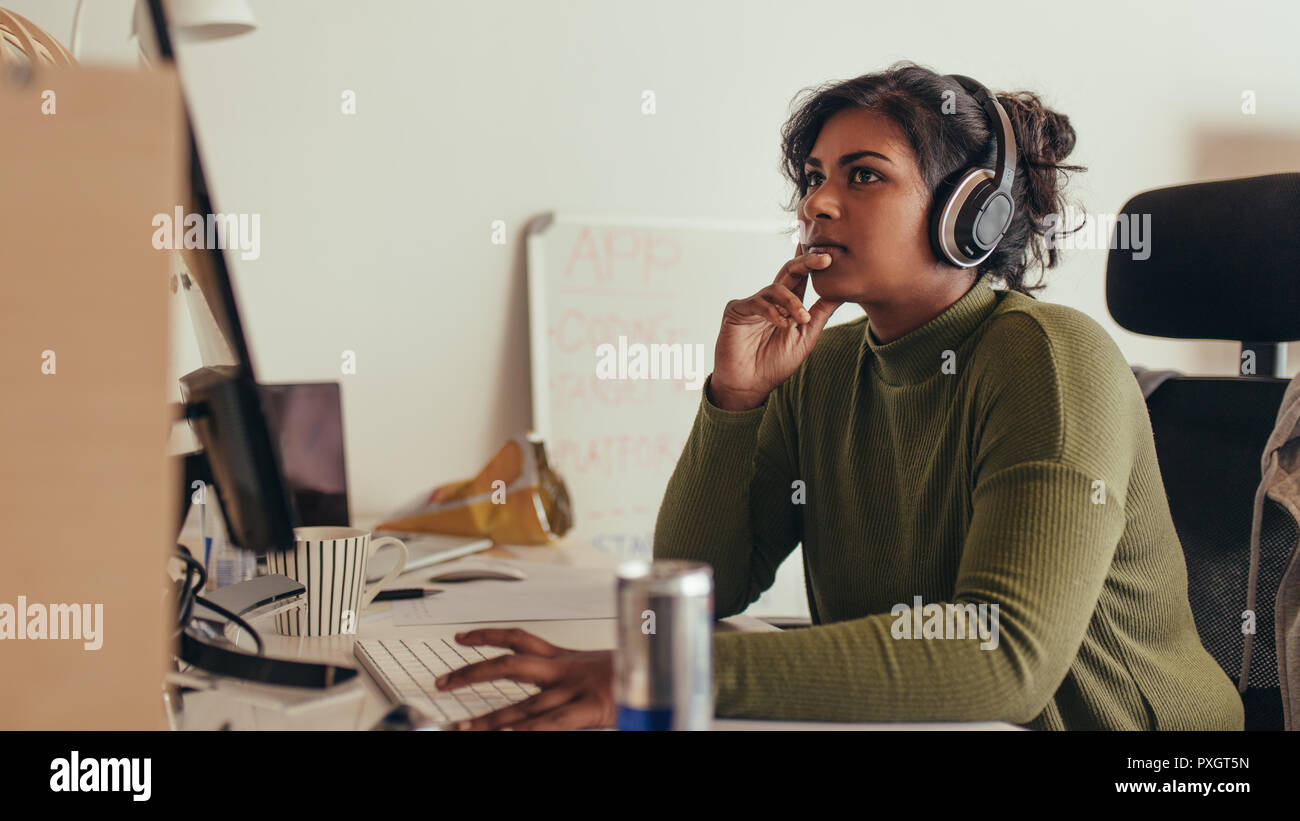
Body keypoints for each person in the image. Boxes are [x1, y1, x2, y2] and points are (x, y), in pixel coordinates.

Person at [433, 62, 1245, 731]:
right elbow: (704, 585)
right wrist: (735, 401)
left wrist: (672, 674)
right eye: (815, 178)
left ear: (970, 215)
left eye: (864, 176)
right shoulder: (825, 365)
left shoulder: (1050, 360)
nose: (818, 203)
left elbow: (1002, 659)